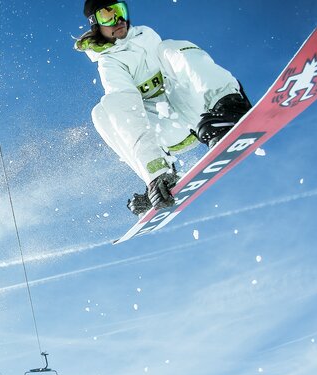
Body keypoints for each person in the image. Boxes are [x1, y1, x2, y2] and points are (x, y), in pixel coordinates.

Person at [75, 0, 252, 216]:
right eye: (107, 15)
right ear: (95, 23)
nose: (118, 20)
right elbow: (127, 112)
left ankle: (228, 105)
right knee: (104, 110)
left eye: (120, 11)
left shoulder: (147, 36)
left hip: (199, 113)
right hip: (166, 132)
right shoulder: (110, 64)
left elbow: (185, 67)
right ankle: (158, 177)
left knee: (172, 47)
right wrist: (154, 172)